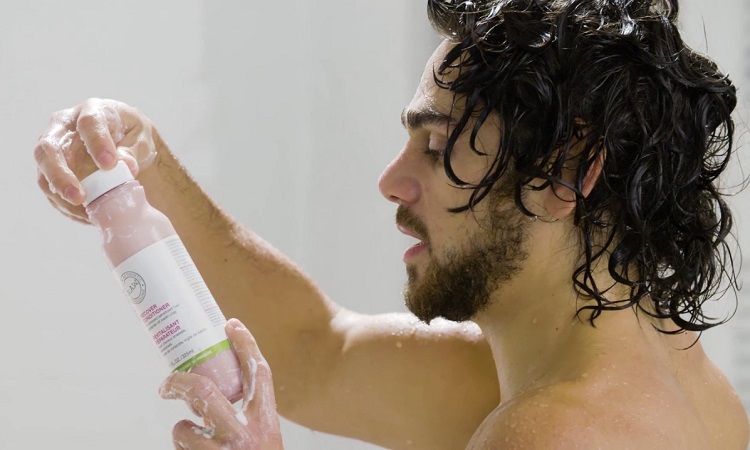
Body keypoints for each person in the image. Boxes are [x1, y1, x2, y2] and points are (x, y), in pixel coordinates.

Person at [34, 0, 750, 448]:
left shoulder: (552, 433)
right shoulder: (631, 363)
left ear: (569, 173)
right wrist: (145, 162)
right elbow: (318, 355)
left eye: (436, 149)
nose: (390, 181)